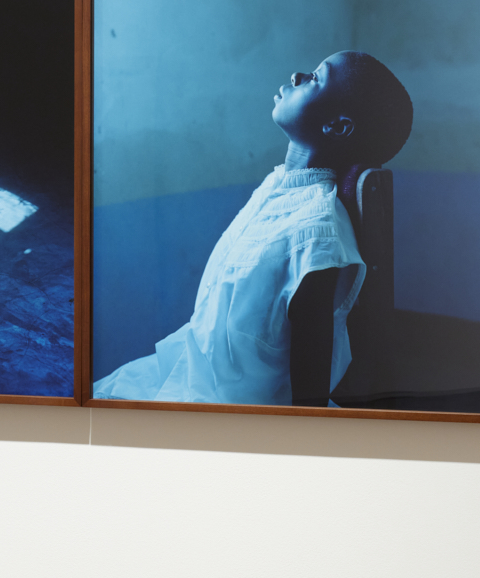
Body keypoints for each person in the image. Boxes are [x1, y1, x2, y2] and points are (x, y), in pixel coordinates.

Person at [93, 50, 413, 405]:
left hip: (230, 408)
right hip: (187, 371)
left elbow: (309, 394)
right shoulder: (278, 187)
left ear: (337, 126)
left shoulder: (317, 237)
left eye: (315, 78)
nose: (296, 76)